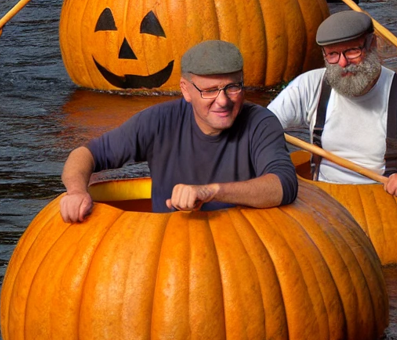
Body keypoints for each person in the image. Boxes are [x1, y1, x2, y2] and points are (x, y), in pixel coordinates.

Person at [57, 40, 299, 221]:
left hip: (240, 249)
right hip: (168, 251)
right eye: (209, 90)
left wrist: (211, 191)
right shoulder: (158, 121)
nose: (223, 101)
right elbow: (85, 155)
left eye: (233, 87)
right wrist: (77, 192)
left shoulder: (261, 123)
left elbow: (283, 186)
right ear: (185, 90)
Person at [267, 12, 397, 193]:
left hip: (385, 209)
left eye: (352, 51)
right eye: (332, 54)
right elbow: (258, 129)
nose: (342, 63)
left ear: (373, 44)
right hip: (324, 205)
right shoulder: (310, 85)